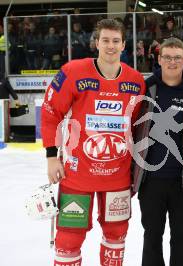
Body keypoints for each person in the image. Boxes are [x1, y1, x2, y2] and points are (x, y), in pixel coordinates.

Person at [41, 19, 146, 266]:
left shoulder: (136, 81)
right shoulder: (72, 72)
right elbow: (50, 113)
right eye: (106, 40)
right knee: (68, 239)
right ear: (96, 43)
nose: (111, 46)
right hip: (77, 174)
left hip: (118, 175)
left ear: (123, 45)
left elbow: (140, 128)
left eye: (116, 41)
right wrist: (51, 156)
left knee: (116, 234)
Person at [131, 37, 183, 266]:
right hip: (150, 181)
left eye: (177, 58)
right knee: (152, 236)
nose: (172, 62)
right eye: (168, 57)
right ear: (159, 59)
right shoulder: (146, 88)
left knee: (180, 237)